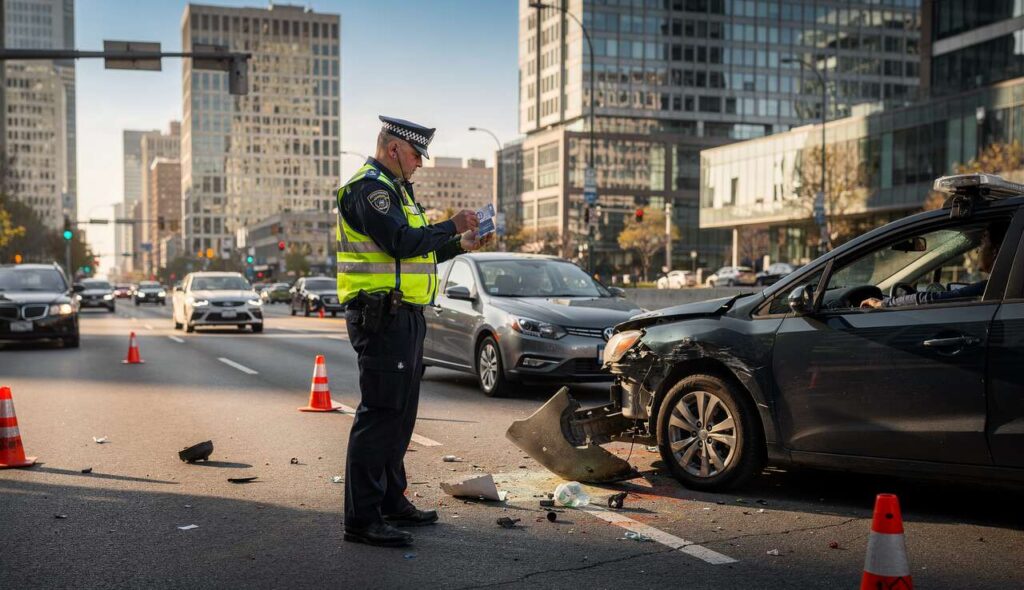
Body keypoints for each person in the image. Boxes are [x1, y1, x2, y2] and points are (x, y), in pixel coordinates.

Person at [336, 116, 491, 547]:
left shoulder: (398, 190)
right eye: (416, 154)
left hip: (406, 316)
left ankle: (390, 501)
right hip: (380, 316)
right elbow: (401, 242)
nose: (420, 163)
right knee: (380, 414)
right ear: (393, 150)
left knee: (400, 416)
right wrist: (453, 224)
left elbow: (417, 251)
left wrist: (461, 244)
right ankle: (362, 519)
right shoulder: (369, 189)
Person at [860, 221, 1007, 309]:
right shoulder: (1002, 287)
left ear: (995, 251)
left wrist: (883, 304)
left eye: (982, 243)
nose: (977, 250)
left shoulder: (995, 287)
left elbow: (935, 299)